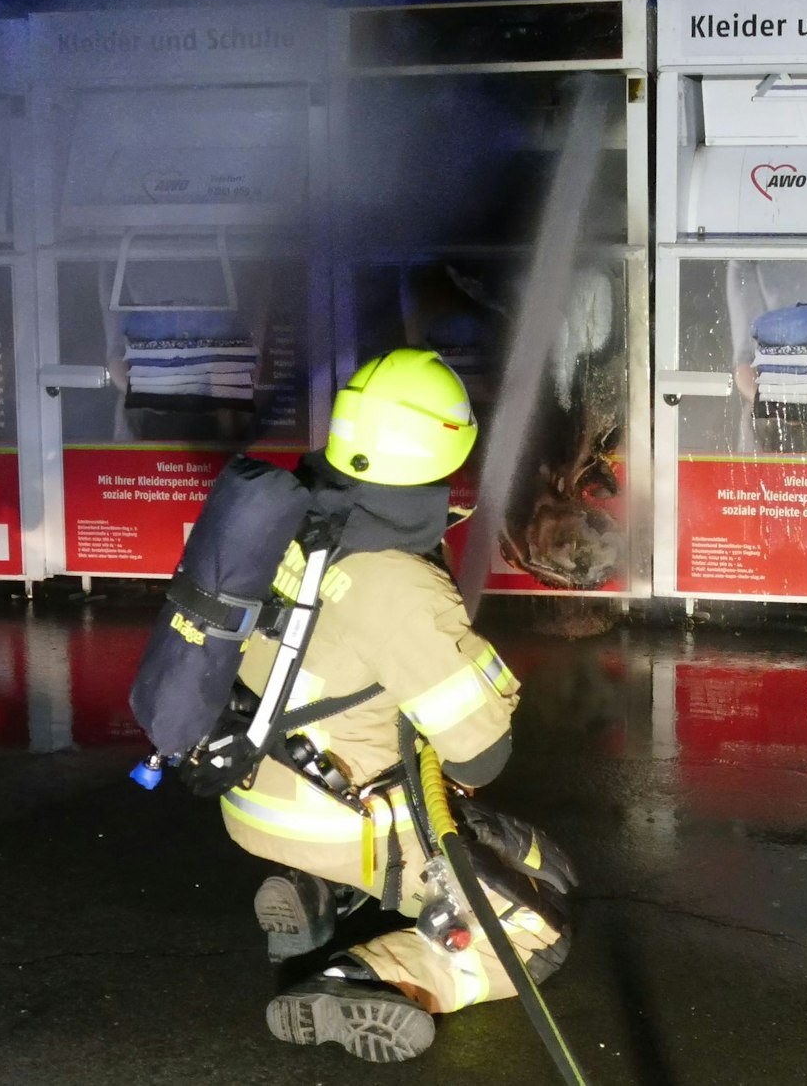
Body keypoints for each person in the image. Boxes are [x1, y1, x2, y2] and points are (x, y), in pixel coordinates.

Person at [220, 348, 575, 1063]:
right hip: (339, 816)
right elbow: (482, 754)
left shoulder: (293, 521)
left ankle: (312, 893)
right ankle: (371, 972)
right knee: (543, 912)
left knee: (532, 853)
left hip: (247, 788)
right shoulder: (398, 582)